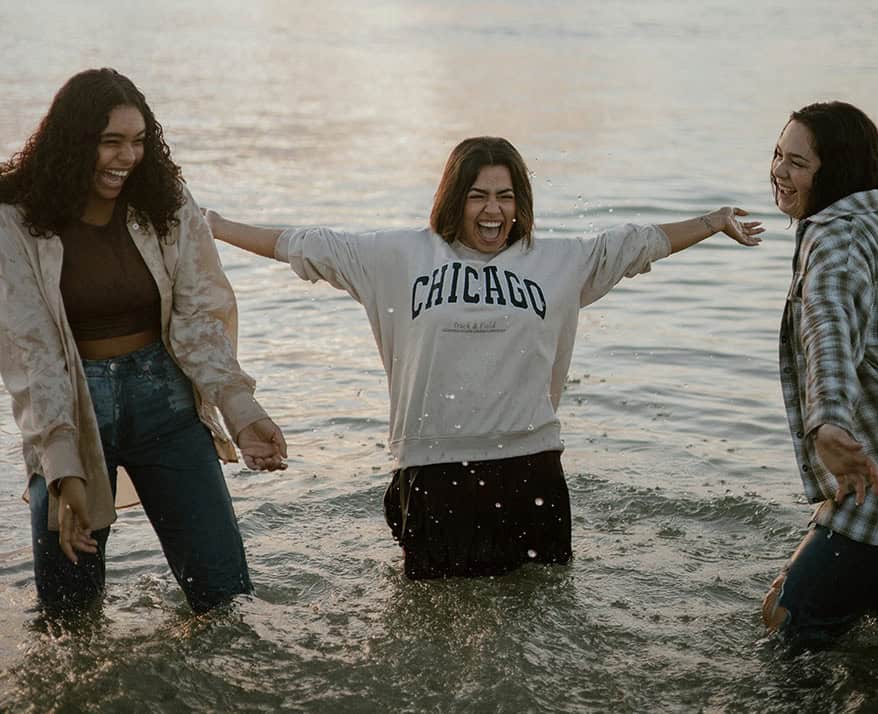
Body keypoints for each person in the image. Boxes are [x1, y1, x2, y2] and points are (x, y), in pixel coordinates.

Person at [206, 136, 763, 580]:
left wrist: (713, 222)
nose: (493, 209)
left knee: (540, 617)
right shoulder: (397, 256)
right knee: (435, 634)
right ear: (454, 199)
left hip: (531, 466)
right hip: (434, 468)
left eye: (505, 195)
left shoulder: (558, 261)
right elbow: (303, 243)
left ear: (520, 202)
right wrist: (214, 227)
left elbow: (636, 243)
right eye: (478, 195)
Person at [0, 68, 287, 614]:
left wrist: (242, 411)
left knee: (226, 600)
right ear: (72, 140)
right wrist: (63, 466)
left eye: (137, 141)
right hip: (73, 408)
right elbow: (31, 348)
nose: (126, 158)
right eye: (110, 142)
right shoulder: (16, 216)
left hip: (167, 406)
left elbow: (200, 316)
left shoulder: (165, 200)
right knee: (69, 616)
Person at [761, 101, 878, 647]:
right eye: (779, 155)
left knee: (789, 621)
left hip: (868, 488)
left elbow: (827, 324)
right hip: (859, 478)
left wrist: (828, 423)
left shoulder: (838, 238)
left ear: (837, 172)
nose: (780, 172)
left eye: (798, 163)